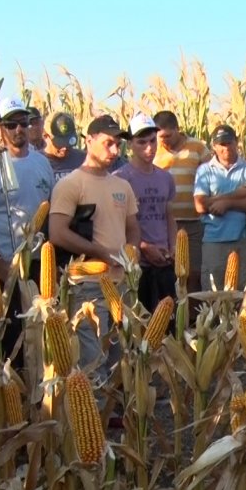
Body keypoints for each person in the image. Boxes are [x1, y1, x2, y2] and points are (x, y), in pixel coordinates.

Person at [49, 115, 140, 383]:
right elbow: (58, 232)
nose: (114, 151)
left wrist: (131, 254)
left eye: (118, 145)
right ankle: (94, 407)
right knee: (92, 362)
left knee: (121, 360)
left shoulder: (122, 185)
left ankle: (114, 408)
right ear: (89, 141)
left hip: (121, 284)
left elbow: (133, 227)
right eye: (108, 143)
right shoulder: (70, 184)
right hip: (87, 286)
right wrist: (100, 253)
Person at [0, 96, 54, 356]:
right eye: (10, 124)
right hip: (5, 268)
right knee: (10, 341)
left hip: (38, 266)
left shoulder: (42, 163)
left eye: (23, 123)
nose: (18, 129)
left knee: (41, 339)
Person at [114, 113, 177, 312]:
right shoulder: (120, 179)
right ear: (130, 144)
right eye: (142, 142)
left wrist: (174, 246)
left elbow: (168, 215)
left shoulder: (165, 178)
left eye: (152, 141)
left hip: (164, 261)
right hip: (136, 265)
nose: (149, 148)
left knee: (168, 321)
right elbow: (117, 224)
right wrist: (143, 246)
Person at [193, 124, 246, 291]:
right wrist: (237, 194)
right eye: (221, 144)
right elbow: (200, 205)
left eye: (229, 143)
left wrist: (227, 204)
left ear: (236, 142)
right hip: (214, 240)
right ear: (214, 146)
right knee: (213, 293)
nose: (225, 148)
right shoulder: (204, 171)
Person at [153, 111, 212, 293]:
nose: (163, 141)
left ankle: (193, 310)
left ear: (177, 129)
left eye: (167, 136)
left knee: (193, 273)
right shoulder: (153, 151)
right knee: (170, 274)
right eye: (160, 137)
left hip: (194, 223)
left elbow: (212, 177)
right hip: (165, 224)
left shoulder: (198, 148)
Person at [43, 111, 86, 183]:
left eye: (68, 142)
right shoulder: (36, 162)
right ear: (46, 136)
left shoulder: (83, 159)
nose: (64, 148)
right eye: (59, 143)